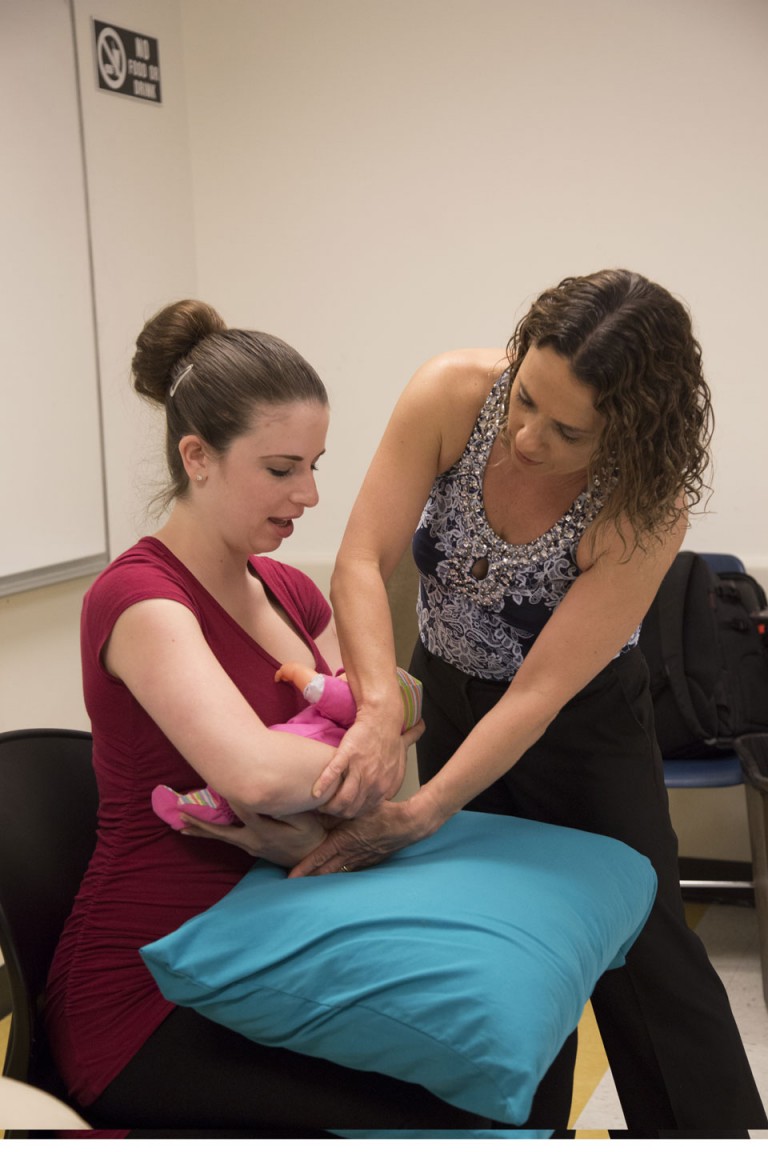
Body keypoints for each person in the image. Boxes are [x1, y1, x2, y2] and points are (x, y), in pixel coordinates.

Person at [46, 299, 546, 1136]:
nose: (310, 494)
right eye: (282, 469)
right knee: (460, 1110)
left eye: (314, 465)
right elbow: (260, 773)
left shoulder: (289, 590)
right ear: (197, 458)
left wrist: (352, 766)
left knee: (521, 1052)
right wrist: (367, 750)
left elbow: (392, 728)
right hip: (150, 986)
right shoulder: (141, 601)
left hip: (281, 922)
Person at [291, 269, 768, 1136]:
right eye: (525, 397)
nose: (526, 436)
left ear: (629, 430)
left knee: (641, 939)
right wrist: (378, 710)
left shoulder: (644, 506)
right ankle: (516, 1132)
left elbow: (543, 691)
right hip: (449, 688)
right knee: (491, 936)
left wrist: (424, 811)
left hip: (584, 722)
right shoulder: (451, 395)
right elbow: (361, 560)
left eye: (567, 429)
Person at [151, 662, 423, 830]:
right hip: (314, 781)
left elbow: (324, 692)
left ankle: (207, 804)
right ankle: (211, 807)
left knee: (245, 767)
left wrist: (298, 673)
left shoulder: (363, 709)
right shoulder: (362, 735)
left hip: (300, 748)